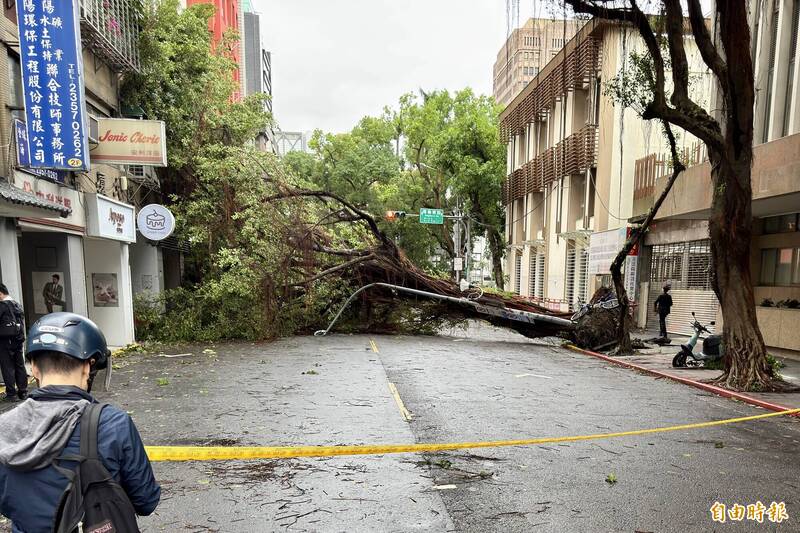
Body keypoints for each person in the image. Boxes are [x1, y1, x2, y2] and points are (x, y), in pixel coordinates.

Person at [0, 312, 160, 532]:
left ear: (34, 368)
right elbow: (146, 501)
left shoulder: (3, 427)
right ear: (88, 366)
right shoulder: (113, 424)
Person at [0, 283, 27, 401]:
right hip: (18, 339)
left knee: (7, 367)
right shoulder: (17, 304)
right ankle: (23, 392)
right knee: (20, 365)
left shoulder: (2, 306)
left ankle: (11, 394)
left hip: (5, 341)